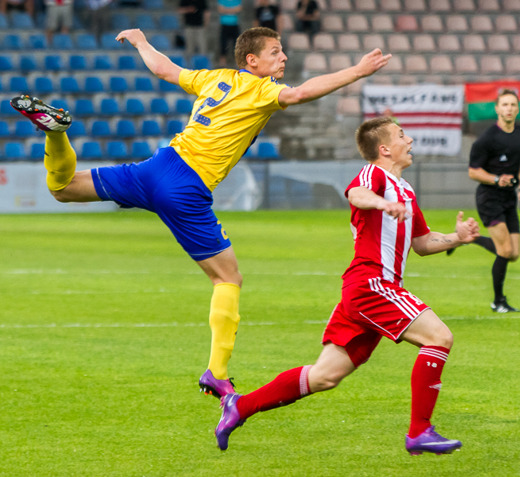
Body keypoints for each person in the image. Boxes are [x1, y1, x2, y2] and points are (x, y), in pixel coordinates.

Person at [10, 27, 391, 404]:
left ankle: (56, 133)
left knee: (64, 188)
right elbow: (302, 92)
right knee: (227, 277)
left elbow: (163, 70)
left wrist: (142, 41)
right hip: (186, 187)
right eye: (276, 52)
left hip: (157, 167)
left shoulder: (214, 79)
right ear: (252, 61)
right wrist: (357, 71)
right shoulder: (261, 89)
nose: (284, 58)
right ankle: (217, 373)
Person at [214, 117, 479, 454]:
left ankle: (239, 406)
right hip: (372, 283)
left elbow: (422, 242)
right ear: (384, 149)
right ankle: (419, 432)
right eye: (402, 135)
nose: (409, 140)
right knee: (439, 337)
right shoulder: (376, 175)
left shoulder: (406, 190)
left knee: (324, 376)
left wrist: (458, 237)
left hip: (366, 290)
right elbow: (356, 193)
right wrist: (381, 203)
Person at [449, 89, 520, 313]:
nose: (509, 109)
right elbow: (473, 172)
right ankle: (498, 301)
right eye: (504, 105)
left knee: (513, 254)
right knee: (504, 251)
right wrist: (496, 179)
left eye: (513, 104)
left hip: (509, 197)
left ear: (518, 108)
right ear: (497, 109)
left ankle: (470, 240)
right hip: (489, 197)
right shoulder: (487, 139)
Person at [217, 0, 242, 67]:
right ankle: (222, 63)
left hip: (234, 24)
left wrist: (226, 10)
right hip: (224, 24)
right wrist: (232, 10)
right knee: (223, 44)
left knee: (236, 44)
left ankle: (236, 62)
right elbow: (220, 10)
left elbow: (239, 9)